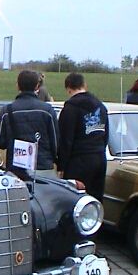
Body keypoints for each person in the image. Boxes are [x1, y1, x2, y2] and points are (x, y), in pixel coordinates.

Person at [0, 70, 59, 179]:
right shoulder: (47, 110)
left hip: (16, 169)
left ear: (17, 86)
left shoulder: (7, 111)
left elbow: (1, 142)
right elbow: (55, 143)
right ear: (37, 86)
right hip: (43, 167)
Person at [58, 72, 109, 203]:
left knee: (74, 200)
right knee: (95, 200)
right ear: (84, 85)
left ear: (68, 88)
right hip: (99, 157)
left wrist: (61, 166)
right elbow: (106, 135)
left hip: (79, 160)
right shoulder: (101, 106)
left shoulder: (70, 108)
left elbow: (65, 140)